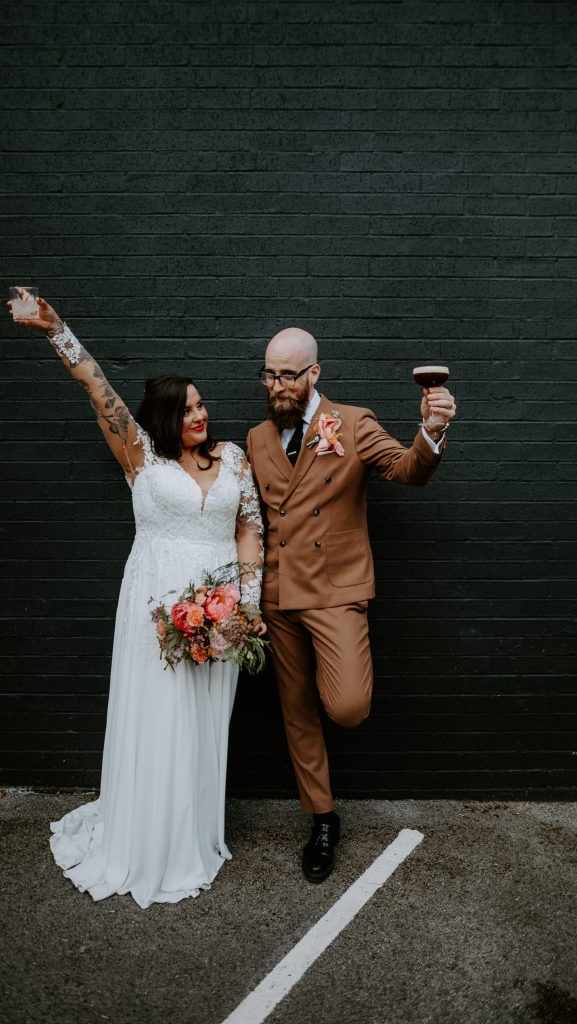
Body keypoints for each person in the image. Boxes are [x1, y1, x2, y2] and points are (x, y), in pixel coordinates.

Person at [9, 297, 265, 908]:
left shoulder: (232, 458)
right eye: (187, 407)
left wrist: (245, 607)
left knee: (204, 724)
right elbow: (99, 393)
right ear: (163, 417)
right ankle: (148, 840)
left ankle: (190, 835)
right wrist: (56, 329)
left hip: (223, 613)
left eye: (202, 404)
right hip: (157, 609)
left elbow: (250, 529)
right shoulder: (139, 459)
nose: (200, 414)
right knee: (162, 718)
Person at [246, 327, 456, 883]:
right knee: (296, 714)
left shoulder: (355, 423)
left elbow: (407, 471)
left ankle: (331, 693)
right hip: (280, 594)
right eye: (269, 374)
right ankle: (322, 818)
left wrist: (431, 431)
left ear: (315, 373)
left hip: (335, 593)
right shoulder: (257, 439)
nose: (277, 385)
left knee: (347, 707)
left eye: (288, 374)